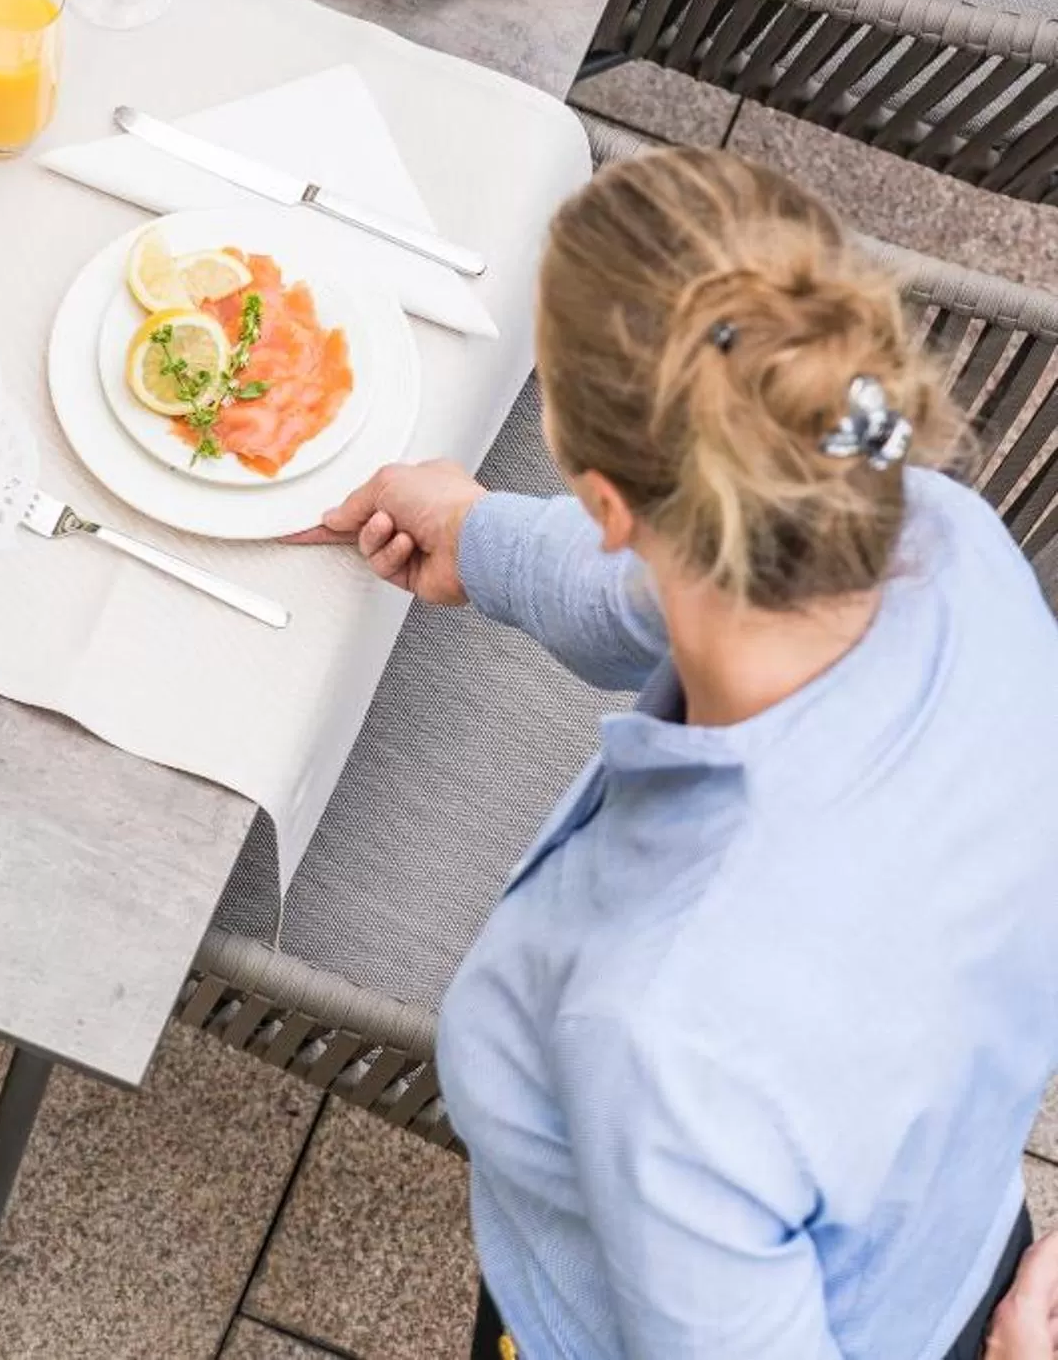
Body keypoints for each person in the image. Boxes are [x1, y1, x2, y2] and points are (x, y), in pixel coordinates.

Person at [302, 146, 1058, 1360]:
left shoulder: (658, 1029)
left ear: (609, 501)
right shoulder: (949, 543)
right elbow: (700, 569)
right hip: (943, 1228)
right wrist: (484, 539)